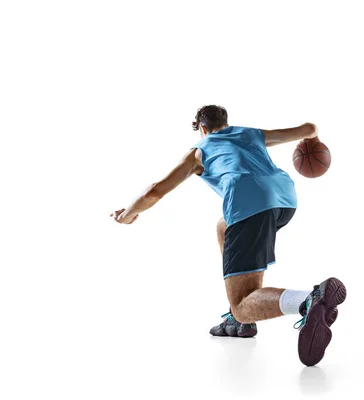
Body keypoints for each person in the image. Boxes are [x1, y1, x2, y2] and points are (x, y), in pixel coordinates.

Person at [110, 105, 346, 366]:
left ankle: (307, 300)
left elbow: (154, 191)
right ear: (225, 122)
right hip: (285, 201)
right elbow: (309, 128)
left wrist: (128, 214)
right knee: (224, 226)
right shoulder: (249, 134)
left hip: (252, 207)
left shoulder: (199, 152)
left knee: (242, 306)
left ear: (201, 128)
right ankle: (241, 323)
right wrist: (313, 142)